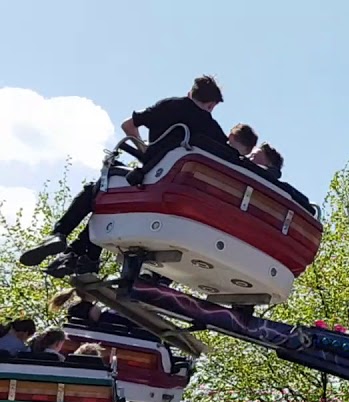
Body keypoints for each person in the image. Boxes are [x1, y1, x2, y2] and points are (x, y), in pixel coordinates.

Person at [20, 75, 227, 275]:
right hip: (174, 190)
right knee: (105, 197)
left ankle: (62, 237)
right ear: (211, 105)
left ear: (190, 93)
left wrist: (145, 150)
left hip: (147, 178)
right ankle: (80, 255)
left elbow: (128, 125)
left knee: (98, 191)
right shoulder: (212, 129)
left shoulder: (168, 105)